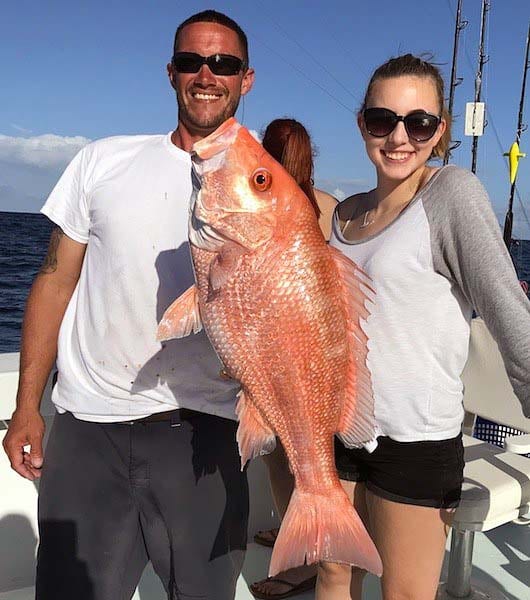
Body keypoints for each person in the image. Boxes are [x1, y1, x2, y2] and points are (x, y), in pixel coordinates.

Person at [2, 10, 255, 600]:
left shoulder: (261, 182)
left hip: (206, 431)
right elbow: (53, 280)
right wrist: (27, 407)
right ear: (171, 72)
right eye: (192, 61)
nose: (206, 74)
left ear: (246, 78)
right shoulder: (102, 160)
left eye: (224, 64)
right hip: (90, 428)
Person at [318, 53, 530, 600]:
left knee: (405, 592)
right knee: (334, 573)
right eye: (382, 120)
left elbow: (511, 316)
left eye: (419, 123)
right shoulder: (344, 215)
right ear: (363, 123)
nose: (399, 138)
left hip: (414, 441)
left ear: (441, 132)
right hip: (336, 428)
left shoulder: (451, 195)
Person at [250, 118, 337, 600]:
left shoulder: (271, 207)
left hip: (279, 355)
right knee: (288, 455)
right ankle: (293, 536)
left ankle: (306, 560)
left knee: (286, 461)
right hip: (314, 358)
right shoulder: (328, 207)